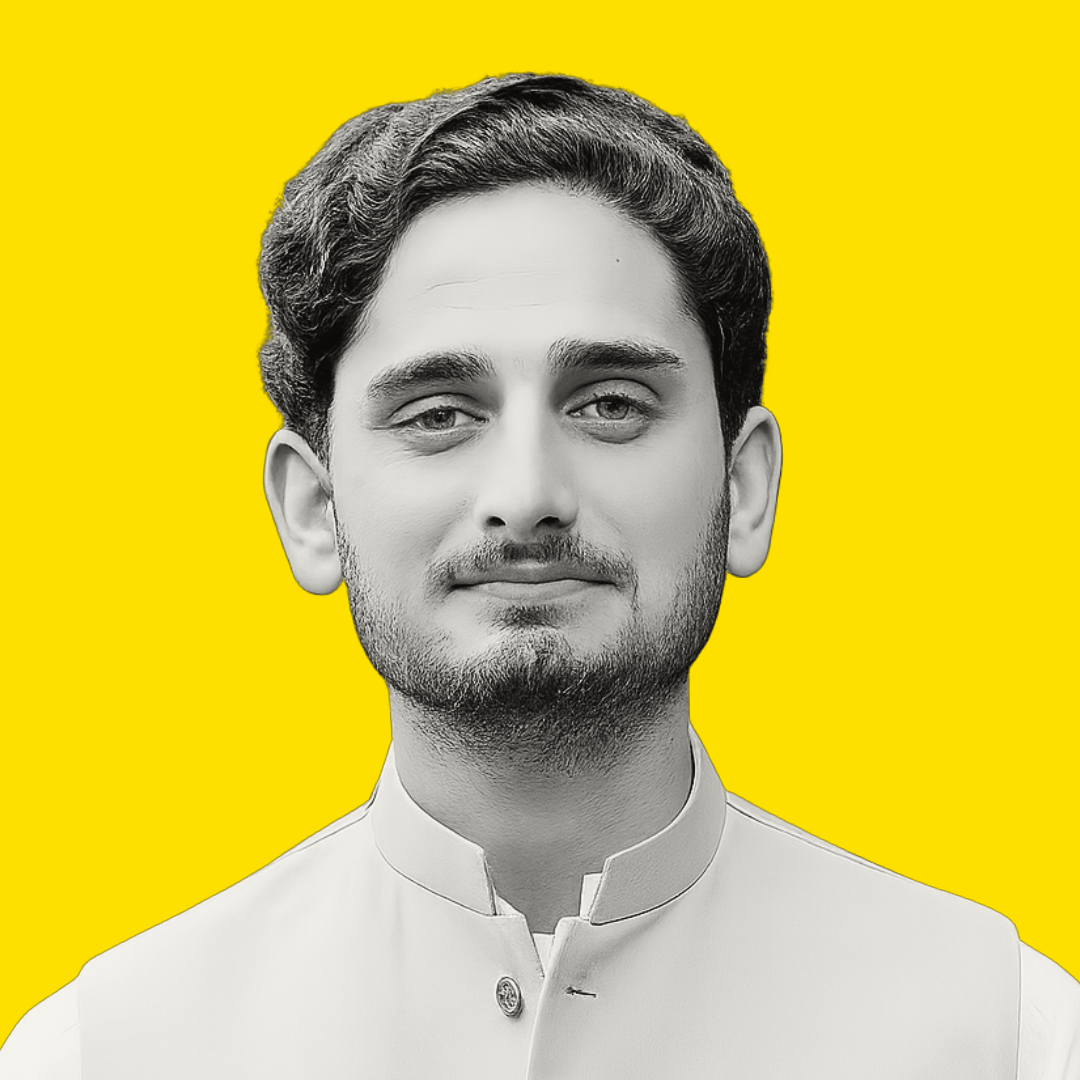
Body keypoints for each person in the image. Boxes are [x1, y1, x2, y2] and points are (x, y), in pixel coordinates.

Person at [2, 72, 1077, 1080]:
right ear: (314, 507)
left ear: (743, 488)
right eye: (439, 416)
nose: (528, 493)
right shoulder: (106, 1054)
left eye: (610, 402)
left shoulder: (1011, 1040)